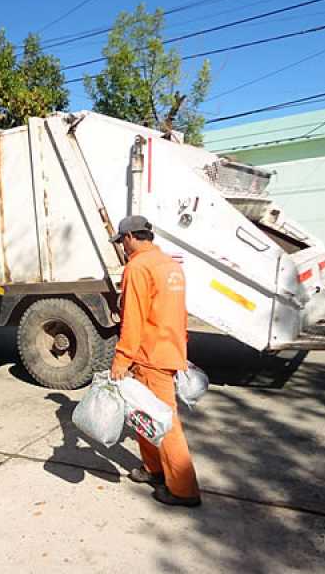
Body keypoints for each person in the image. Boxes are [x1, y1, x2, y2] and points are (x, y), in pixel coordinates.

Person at [109, 215, 201, 508]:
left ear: (129, 238)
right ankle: (154, 470)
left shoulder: (137, 267)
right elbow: (179, 313)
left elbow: (132, 319)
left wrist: (121, 359)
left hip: (149, 356)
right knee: (143, 415)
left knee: (166, 421)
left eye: (122, 242)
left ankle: (183, 489)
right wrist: (180, 348)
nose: (123, 248)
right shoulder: (170, 265)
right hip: (168, 350)